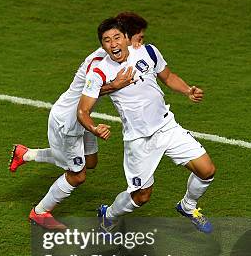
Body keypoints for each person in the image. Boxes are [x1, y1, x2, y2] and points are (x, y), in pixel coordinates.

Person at [9, 12, 148, 230]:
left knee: (90, 162)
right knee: (77, 175)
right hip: (70, 122)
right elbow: (86, 100)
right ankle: (40, 212)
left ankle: (26, 154)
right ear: (129, 36)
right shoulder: (99, 63)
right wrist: (115, 87)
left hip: (83, 118)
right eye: (140, 38)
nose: (142, 43)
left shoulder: (120, 52)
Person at [77, 17, 216, 233]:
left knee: (206, 171)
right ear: (102, 46)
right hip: (139, 139)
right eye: (107, 40)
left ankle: (187, 206)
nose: (113, 44)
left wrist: (188, 90)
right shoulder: (99, 72)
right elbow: (82, 111)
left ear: (126, 38)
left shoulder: (148, 51)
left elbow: (168, 77)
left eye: (117, 38)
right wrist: (94, 128)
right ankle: (108, 215)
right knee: (142, 196)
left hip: (166, 126)